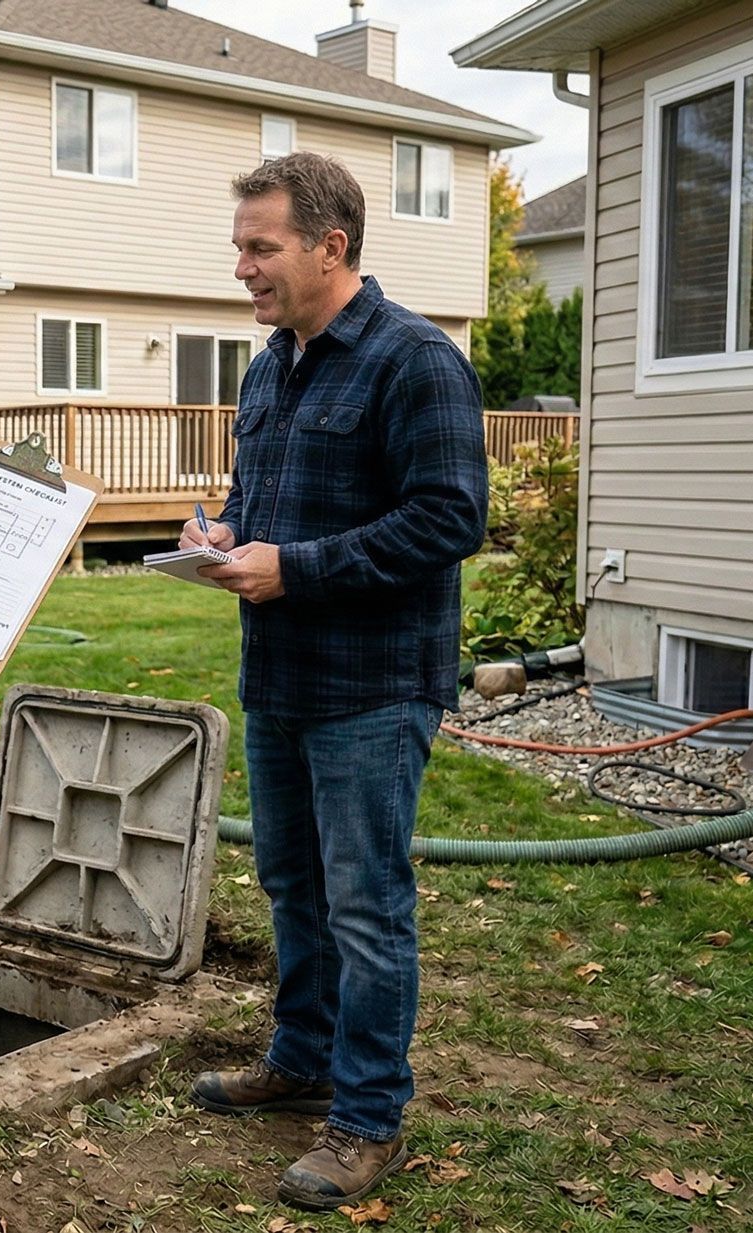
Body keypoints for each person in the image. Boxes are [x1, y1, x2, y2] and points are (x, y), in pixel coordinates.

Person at [181, 152, 488, 1211]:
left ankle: (366, 1118)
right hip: (282, 675)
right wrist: (222, 533)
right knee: (291, 886)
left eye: (260, 248)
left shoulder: (416, 361)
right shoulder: (271, 365)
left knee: (366, 907)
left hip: (373, 684)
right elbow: (262, 502)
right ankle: (299, 1058)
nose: (244, 269)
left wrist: (296, 566)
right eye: (241, 248)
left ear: (331, 246)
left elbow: (451, 518)